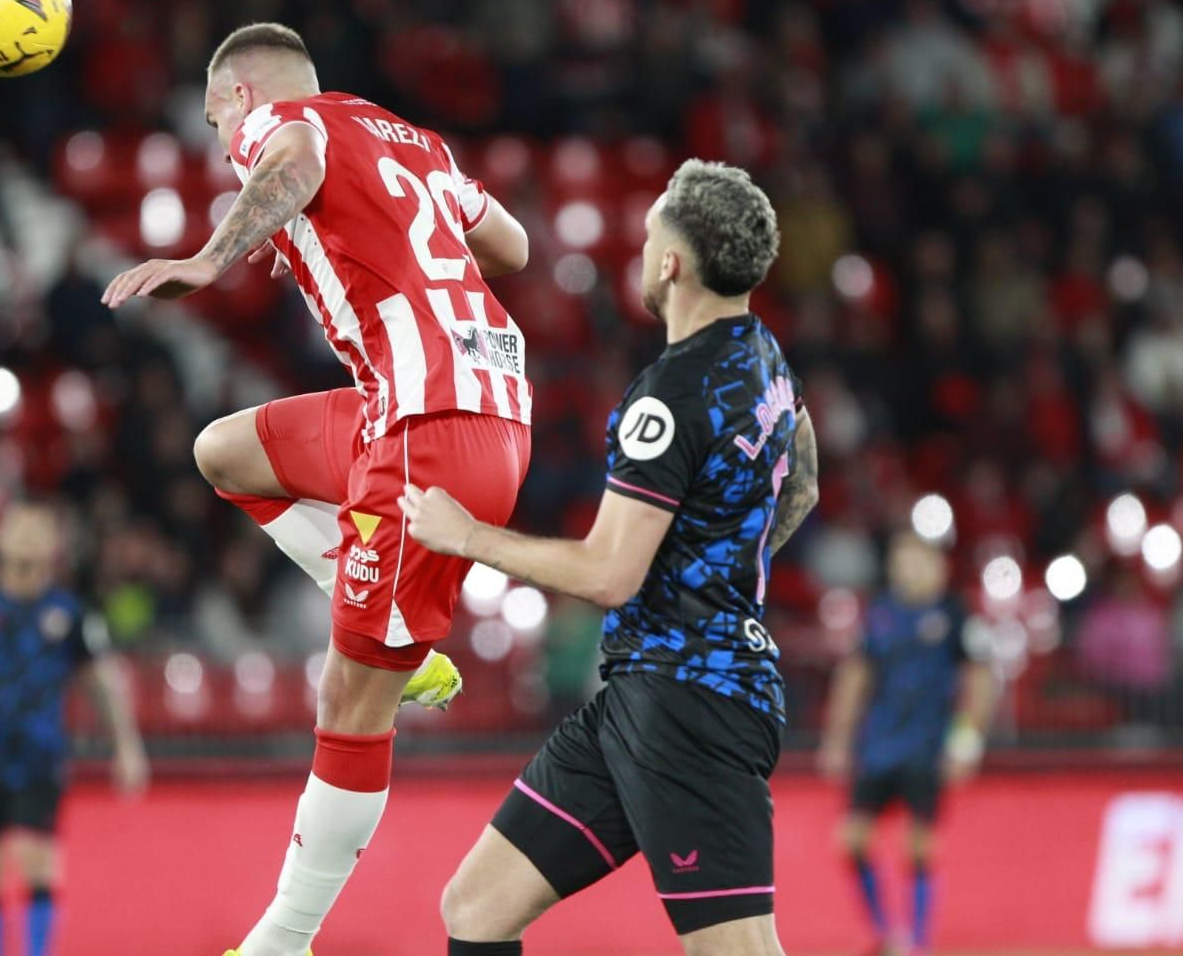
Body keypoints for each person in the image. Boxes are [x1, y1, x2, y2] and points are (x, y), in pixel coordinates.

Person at [102, 22, 533, 956]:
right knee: (225, 453)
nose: (226, 146)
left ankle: (282, 943)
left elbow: (288, 162)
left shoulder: (282, 127)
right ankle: (398, 642)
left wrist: (212, 258)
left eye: (221, 124)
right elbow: (513, 245)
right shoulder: (406, 136)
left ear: (244, 98)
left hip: (427, 432)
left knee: (348, 705)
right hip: (472, 407)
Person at [401, 159, 818, 956]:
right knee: (477, 905)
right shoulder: (763, 357)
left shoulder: (667, 398)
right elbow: (803, 480)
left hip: (690, 701)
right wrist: (720, 568)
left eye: (652, 230)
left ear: (671, 262)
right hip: (651, 690)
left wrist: (468, 538)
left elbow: (609, 574)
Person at [0, 503, 148, 956]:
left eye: (38, 537)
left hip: (40, 751)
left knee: (39, 861)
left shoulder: (70, 615)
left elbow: (102, 682)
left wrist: (127, 745)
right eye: (20, 535)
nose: (28, 546)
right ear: (1, 544)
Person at [816, 530, 996, 956]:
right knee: (852, 839)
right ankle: (883, 933)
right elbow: (855, 675)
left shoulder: (956, 615)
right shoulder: (880, 614)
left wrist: (967, 740)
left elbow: (981, 680)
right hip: (878, 747)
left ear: (939, 566)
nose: (908, 568)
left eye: (917, 560)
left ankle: (919, 943)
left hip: (926, 747)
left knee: (919, 843)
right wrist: (838, 738)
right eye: (902, 560)